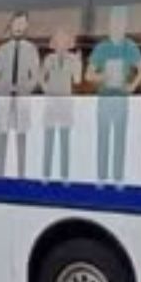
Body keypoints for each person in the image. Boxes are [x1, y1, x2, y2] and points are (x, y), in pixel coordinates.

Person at [86, 7, 141, 184]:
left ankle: (118, 179)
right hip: (104, 99)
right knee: (103, 139)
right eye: (115, 21)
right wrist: (102, 76)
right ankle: (101, 178)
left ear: (125, 24)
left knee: (120, 139)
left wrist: (132, 86)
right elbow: (88, 75)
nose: (118, 25)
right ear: (110, 24)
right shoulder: (102, 48)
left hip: (121, 100)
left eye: (121, 22)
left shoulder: (130, 46)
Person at [0, 10, 41, 178]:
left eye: (22, 23)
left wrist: (24, 89)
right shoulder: (2, 49)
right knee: (2, 135)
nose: (18, 27)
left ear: (26, 26)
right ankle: (0, 172)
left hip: (22, 98)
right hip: (5, 98)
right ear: (11, 25)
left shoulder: (31, 49)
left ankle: (21, 174)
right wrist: (3, 88)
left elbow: (35, 75)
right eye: (16, 23)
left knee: (21, 136)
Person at [40, 26, 82, 180]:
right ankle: (46, 175)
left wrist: (78, 63)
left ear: (68, 43)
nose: (61, 44)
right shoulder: (48, 59)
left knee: (65, 142)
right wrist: (47, 91)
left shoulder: (72, 59)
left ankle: (65, 176)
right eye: (58, 41)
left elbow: (77, 80)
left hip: (65, 104)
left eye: (64, 41)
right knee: (48, 141)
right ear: (54, 43)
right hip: (51, 104)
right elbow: (41, 77)